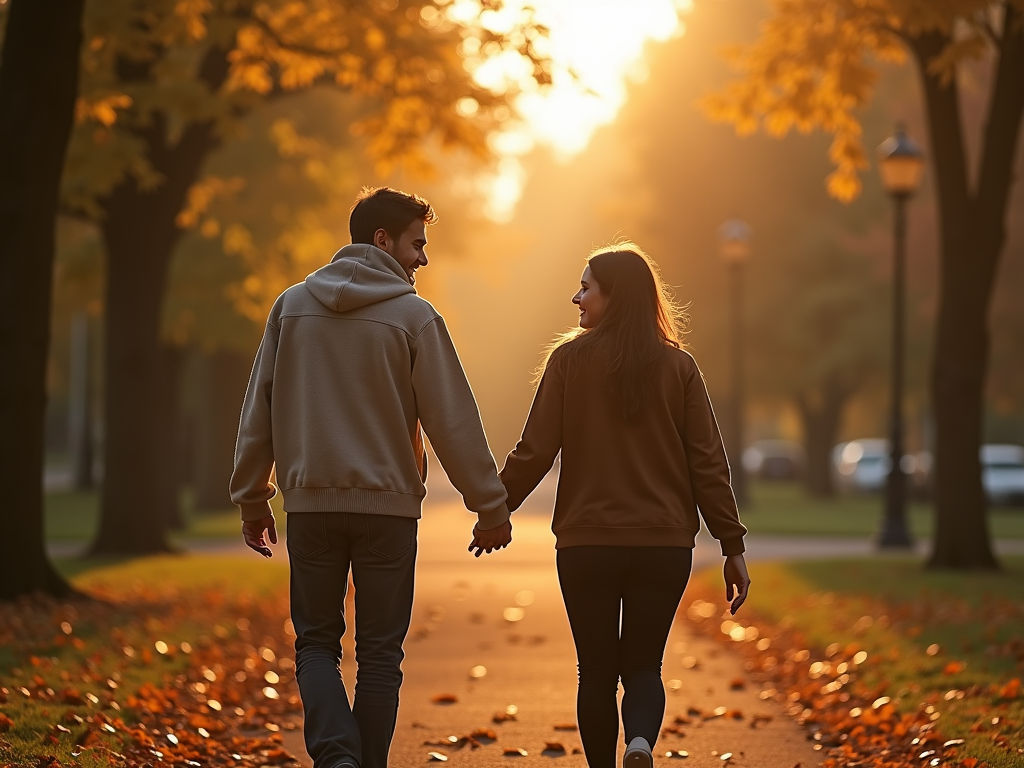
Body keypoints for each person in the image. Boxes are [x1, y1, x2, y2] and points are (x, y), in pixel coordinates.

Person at [230, 186, 513, 768]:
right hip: (388, 510)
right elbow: (451, 417)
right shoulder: (414, 317)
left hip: (311, 505)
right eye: (418, 243)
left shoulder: (291, 308)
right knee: (381, 654)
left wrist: (252, 495)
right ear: (383, 240)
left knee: (315, 644)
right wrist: (489, 503)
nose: (423, 258)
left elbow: (259, 405)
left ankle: (336, 757)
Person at [498, 243, 750, 768]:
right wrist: (731, 544)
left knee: (594, 670)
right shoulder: (679, 367)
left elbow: (535, 450)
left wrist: (495, 508)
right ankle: (639, 742)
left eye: (587, 287)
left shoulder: (568, 361)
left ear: (616, 296)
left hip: (587, 543)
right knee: (643, 665)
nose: (577, 298)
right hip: (663, 544)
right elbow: (707, 462)